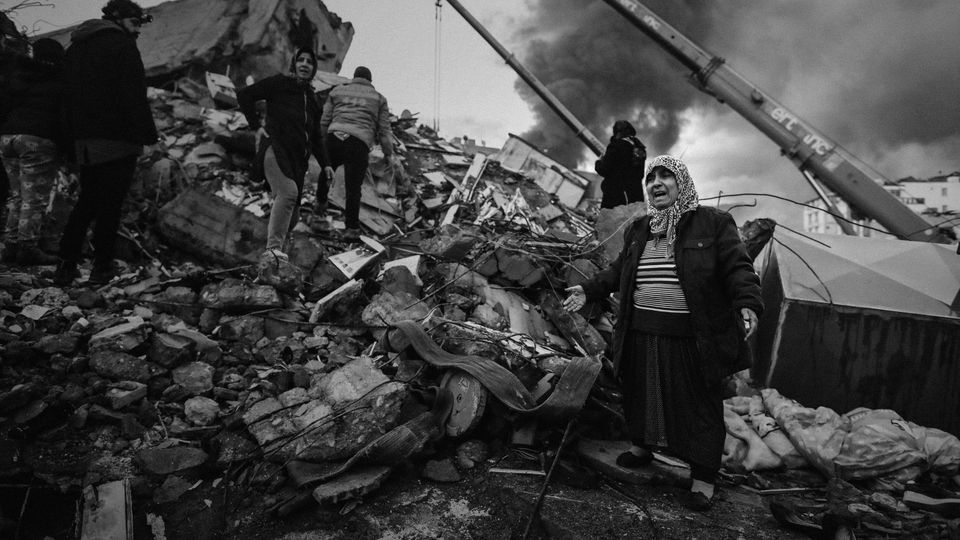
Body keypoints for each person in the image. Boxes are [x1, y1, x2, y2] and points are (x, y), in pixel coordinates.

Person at [563, 155, 762, 511]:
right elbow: (618, 271)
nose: (656, 183)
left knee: (698, 405)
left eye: (666, 175)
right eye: (651, 177)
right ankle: (643, 446)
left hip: (691, 336)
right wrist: (588, 290)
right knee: (641, 394)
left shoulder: (713, 223)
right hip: (641, 330)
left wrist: (748, 302)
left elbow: (738, 267)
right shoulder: (639, 228)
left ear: (682, 182)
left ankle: (703, 477)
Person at [54, 0, 157, 286]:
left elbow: (65, 97)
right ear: (118, 18)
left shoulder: (75, 48)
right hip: (117, 139)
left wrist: (70, 140)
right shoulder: (122, 45)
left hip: (85, 142)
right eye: (134, 23)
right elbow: (133, 95)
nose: (137, 31)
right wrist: (149, 137)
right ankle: (102, 267)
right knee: (111, 205)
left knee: (87, 202)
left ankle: (65, 265)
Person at [237, 47, 327, 260]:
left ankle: (264, 250)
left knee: (293, 216)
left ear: (314, 69)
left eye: (310, 62)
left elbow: (316, 136)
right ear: (294, 64)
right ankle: (272, 252)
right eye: (301, 60)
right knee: (288, 193)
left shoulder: (313, 99)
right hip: (275, 149)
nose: (305, 64)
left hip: (298, 162)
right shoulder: (279, 83)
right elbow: (245, 95)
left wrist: (327, 164)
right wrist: (256, 126)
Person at [0, 38, 64, 265]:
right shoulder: (58, 79)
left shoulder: (22, 75)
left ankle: (10, 246)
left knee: (17, 196)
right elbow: (64, 117)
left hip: (7, 138)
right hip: (36, 139)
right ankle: (27, 247)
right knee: (34, 199)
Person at [320, 66, 393, 242]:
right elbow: (384, 131)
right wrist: (388, 154)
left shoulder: (338, 91)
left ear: (354, 77)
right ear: (370, 81)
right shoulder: (378, 98)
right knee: (353, 188)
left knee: (326, 175)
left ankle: (317, 214)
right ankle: (351, 229)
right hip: (359, 142)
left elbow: (324, 120)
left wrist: (321, 144)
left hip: (334, 137)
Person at [595, 120, 646, 209]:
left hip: (615, 197)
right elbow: (640, 174)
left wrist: (598, 162)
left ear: (617, 132)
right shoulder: (640, 149)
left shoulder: (616, 146)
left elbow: (604, 170)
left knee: (610, 218)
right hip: (635, 197)